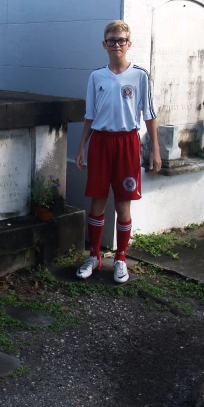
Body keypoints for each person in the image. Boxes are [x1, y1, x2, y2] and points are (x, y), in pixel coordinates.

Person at [75, 20, 161, 283]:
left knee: (123, 202)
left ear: (128, 44)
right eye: (111, 40)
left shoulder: (139, 76)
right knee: (97, 200)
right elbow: (90, 115)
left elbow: (149, 115)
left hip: (127, 142)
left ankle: (121, 258)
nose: (116, 45)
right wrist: (82, 146)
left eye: (121, 40)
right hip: (101, 142)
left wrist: (154, 149)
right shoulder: (96, 76)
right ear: (104, 44)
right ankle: (95, 256)